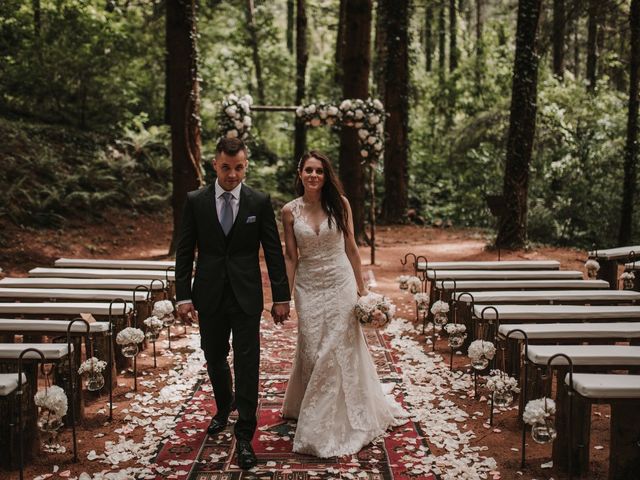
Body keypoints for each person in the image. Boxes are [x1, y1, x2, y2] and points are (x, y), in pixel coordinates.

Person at [281, 150, 408, 458]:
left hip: (340, 282)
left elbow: (351, 246)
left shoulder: (340, 204)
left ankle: (327, 420)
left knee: (335, 348)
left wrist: (362, 290)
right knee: (312, 347)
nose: (313, 175)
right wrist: (283, 296)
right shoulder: (289, 211)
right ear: (300, 174)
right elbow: (290, 256)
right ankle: (308, 401)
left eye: (319, 171)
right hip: (307, 286)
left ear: (326, 175)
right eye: (308, 170)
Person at [175, 137, 291, 470]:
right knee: (213, 355)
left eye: (239, 167)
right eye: (226, 167)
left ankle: (244, 435)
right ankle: (224, 406)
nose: (232, 174)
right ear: (215, 164)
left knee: (247, 361)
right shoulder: (195, 201)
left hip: (245, 295)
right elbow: (184, 251)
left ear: (245, 165)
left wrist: (281, 296)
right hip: (208, 293)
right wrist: (183, 294)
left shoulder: (258, 201)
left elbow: (272, 251)